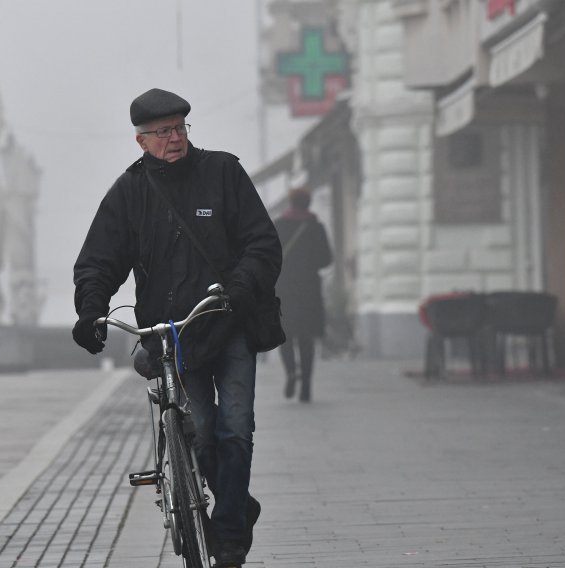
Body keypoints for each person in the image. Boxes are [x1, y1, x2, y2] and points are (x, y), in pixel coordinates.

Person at [72, 88, 281, 567]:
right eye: (163, 131)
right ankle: (236, 503)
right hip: (172, 334)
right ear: (141, 141)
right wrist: (91, 310)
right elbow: (99, 261)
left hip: (227, 320)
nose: (174, 138)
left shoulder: (223, 172)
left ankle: (228, 535)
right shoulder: (129, 192)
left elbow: (262, 244)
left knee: (235, 428)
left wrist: (240, 286)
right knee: (202, 431)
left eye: (180, 127)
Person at [274, 187, 333, 402]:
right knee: (306, 339)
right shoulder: (316, 227)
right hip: (309, 289)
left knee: (285, 336)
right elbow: (327, 259)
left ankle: (291, 372)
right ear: (308, 203)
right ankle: (306, 386)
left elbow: (269, 255)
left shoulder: (279, 226)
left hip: (284, 288)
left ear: (291, 203)